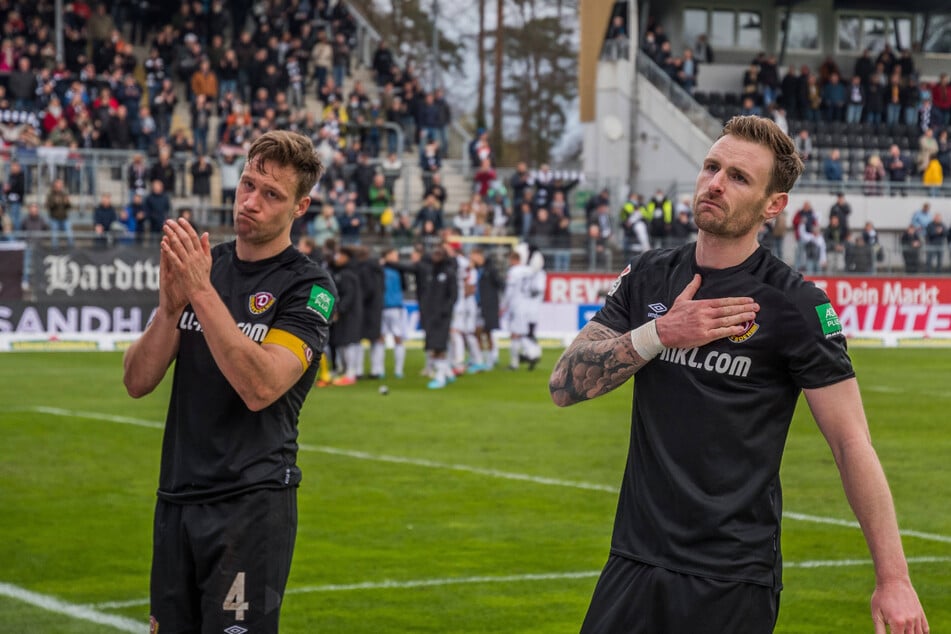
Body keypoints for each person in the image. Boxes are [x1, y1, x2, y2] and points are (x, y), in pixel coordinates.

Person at [548, 115, 928, 634]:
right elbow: (564, 384)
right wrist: (659, 333)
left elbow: (850, 441)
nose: (716, 183)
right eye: (711, 167)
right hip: (634, 558)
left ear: (773, 205)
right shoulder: (650, 274)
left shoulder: (796, 304)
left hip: (732, 577)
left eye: (739, 177)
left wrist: (895, 578)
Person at [122, 130, 336, 634]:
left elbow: (261, 385)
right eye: (247, 184)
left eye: (271, 194)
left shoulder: (308, 286)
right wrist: (170, 307)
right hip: (176, 500)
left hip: (251, 505)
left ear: (300, 207)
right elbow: (136, 380)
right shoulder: (207, 265)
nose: (251, 202)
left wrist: (200, 292)